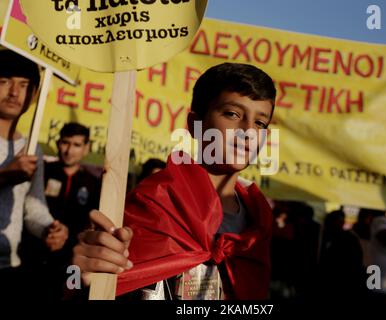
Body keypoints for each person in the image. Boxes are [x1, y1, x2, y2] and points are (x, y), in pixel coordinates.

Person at [73, 62, 276, 300]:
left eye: (260, 123)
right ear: (195, 125)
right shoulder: (156, 200)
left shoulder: (259, 224)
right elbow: (83, 284)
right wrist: (78, 275)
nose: (247, 131)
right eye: (232, 114)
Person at [0, 49, 68, 299]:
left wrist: (49, 228)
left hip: (10, 265)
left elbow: (32, 207)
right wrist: (5, 176)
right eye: (5, 81)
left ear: (34, 95)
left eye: (24, 84)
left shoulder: (32, 150)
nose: (14, 92)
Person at [20, 122, 100, 300]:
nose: (69, 150)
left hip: (70, 263)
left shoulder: (94, 184)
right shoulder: (41, 172)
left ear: (86, 148)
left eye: (77, 145)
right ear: (58, 143)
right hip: (32, 258)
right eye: (65, 142)